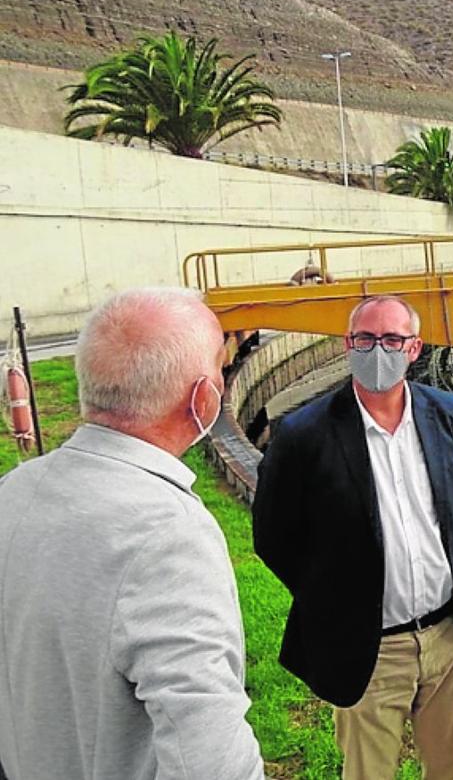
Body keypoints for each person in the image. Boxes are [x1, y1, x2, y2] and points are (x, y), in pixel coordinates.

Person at [0, 288, 263, 780]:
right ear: (202, 398)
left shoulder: (13, 491)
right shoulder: (168, 534)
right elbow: (209, 758)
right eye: (220, 368)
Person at [253, 295, 453, 780]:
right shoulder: (303, 434)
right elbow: (274, 537)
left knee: (452, 772)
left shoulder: (450, 414)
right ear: (348, 344)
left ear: (415, 348)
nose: (378, 350)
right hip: (368, 649)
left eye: (392, 340)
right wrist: (335, 599)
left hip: (450, 638)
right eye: (366, 339)